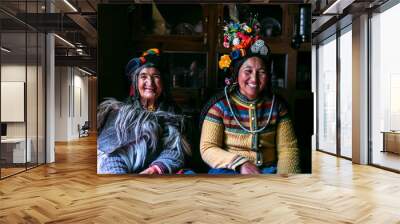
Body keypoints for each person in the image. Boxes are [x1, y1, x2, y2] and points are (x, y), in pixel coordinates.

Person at [199, 19, 300, 174]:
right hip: (230, 169)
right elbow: (208, 148)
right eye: (248, 71)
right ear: (236, 74)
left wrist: (284, 181)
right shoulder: (220, 107)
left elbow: (288, 149)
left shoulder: (277, 107)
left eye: (261, 72)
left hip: (269, 170)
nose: (254, 78)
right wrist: (240, 164)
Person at [97, 48, 191, 174]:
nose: (150, 82)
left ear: (163, 83)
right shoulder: (120, 115)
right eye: (143, 76)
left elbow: (176, 151)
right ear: (135, 83)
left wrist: (155, 169)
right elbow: (109, 155)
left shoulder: (175, 115)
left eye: (156, 76)